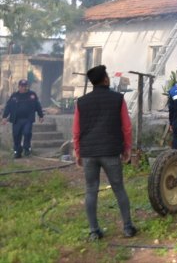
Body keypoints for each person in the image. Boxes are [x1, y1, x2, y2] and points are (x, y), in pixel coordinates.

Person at [72, 65, 137, 241]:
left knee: (91, 190)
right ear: (106, 80)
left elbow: (76, 130)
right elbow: (126, 126)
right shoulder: (118, 99)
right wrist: (127, 148)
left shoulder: (82, 102)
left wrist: (78, 151)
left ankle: (94, 231)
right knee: (119, 188)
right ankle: (127, 228)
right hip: (110, 151)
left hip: (89, 152)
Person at [2, 79, 44, 158]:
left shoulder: (32, 95)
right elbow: (8, 107)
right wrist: (4, 117)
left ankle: (27, 149)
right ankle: (17, 151)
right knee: (16, 135)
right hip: (16, 120)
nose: (24, 88)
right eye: (22, 86)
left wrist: (40, 115)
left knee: (27, 133)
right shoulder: (14, 95)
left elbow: (37, 105)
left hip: (28, 119)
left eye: (25, 86)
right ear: (19, 87)